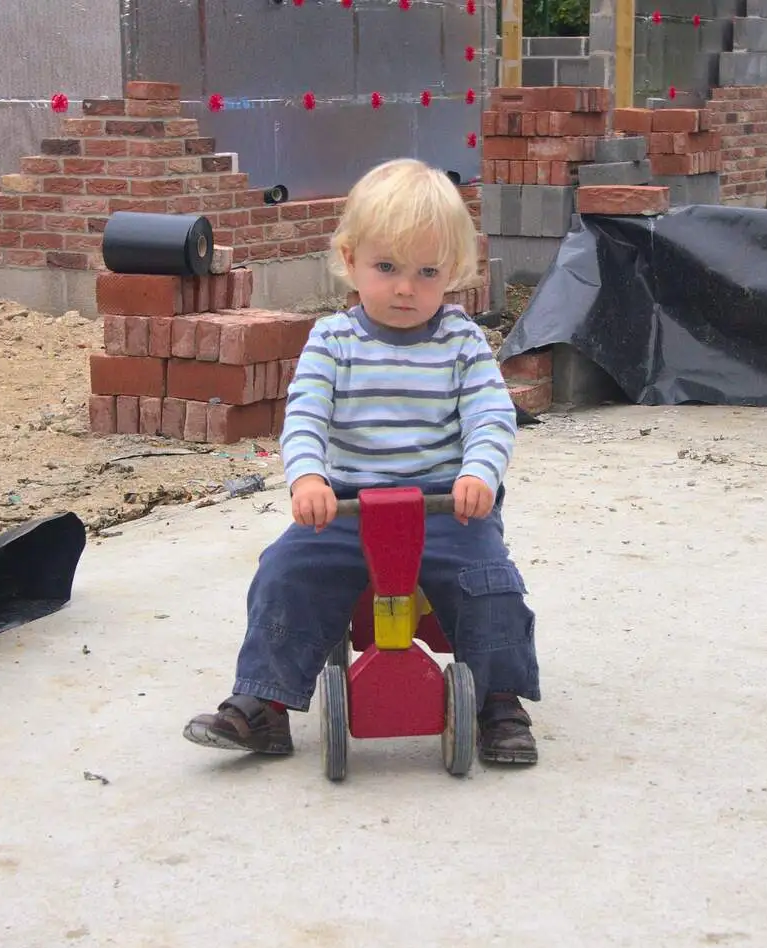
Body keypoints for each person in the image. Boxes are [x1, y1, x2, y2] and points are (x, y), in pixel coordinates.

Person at [182, 158, 541, 765]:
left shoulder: (462, 341)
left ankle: (499, 701)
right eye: (387, 267)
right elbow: (306, 417)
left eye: (427, 272)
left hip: (445, 504)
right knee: (285, 571)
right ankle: (263, 703)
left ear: (453, 272)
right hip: (347, 502)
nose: (406, 287)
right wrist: (310, 477)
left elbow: (490, 415)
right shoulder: (332, 341)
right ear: (350, 260)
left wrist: (480, 472)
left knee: (492, 584)